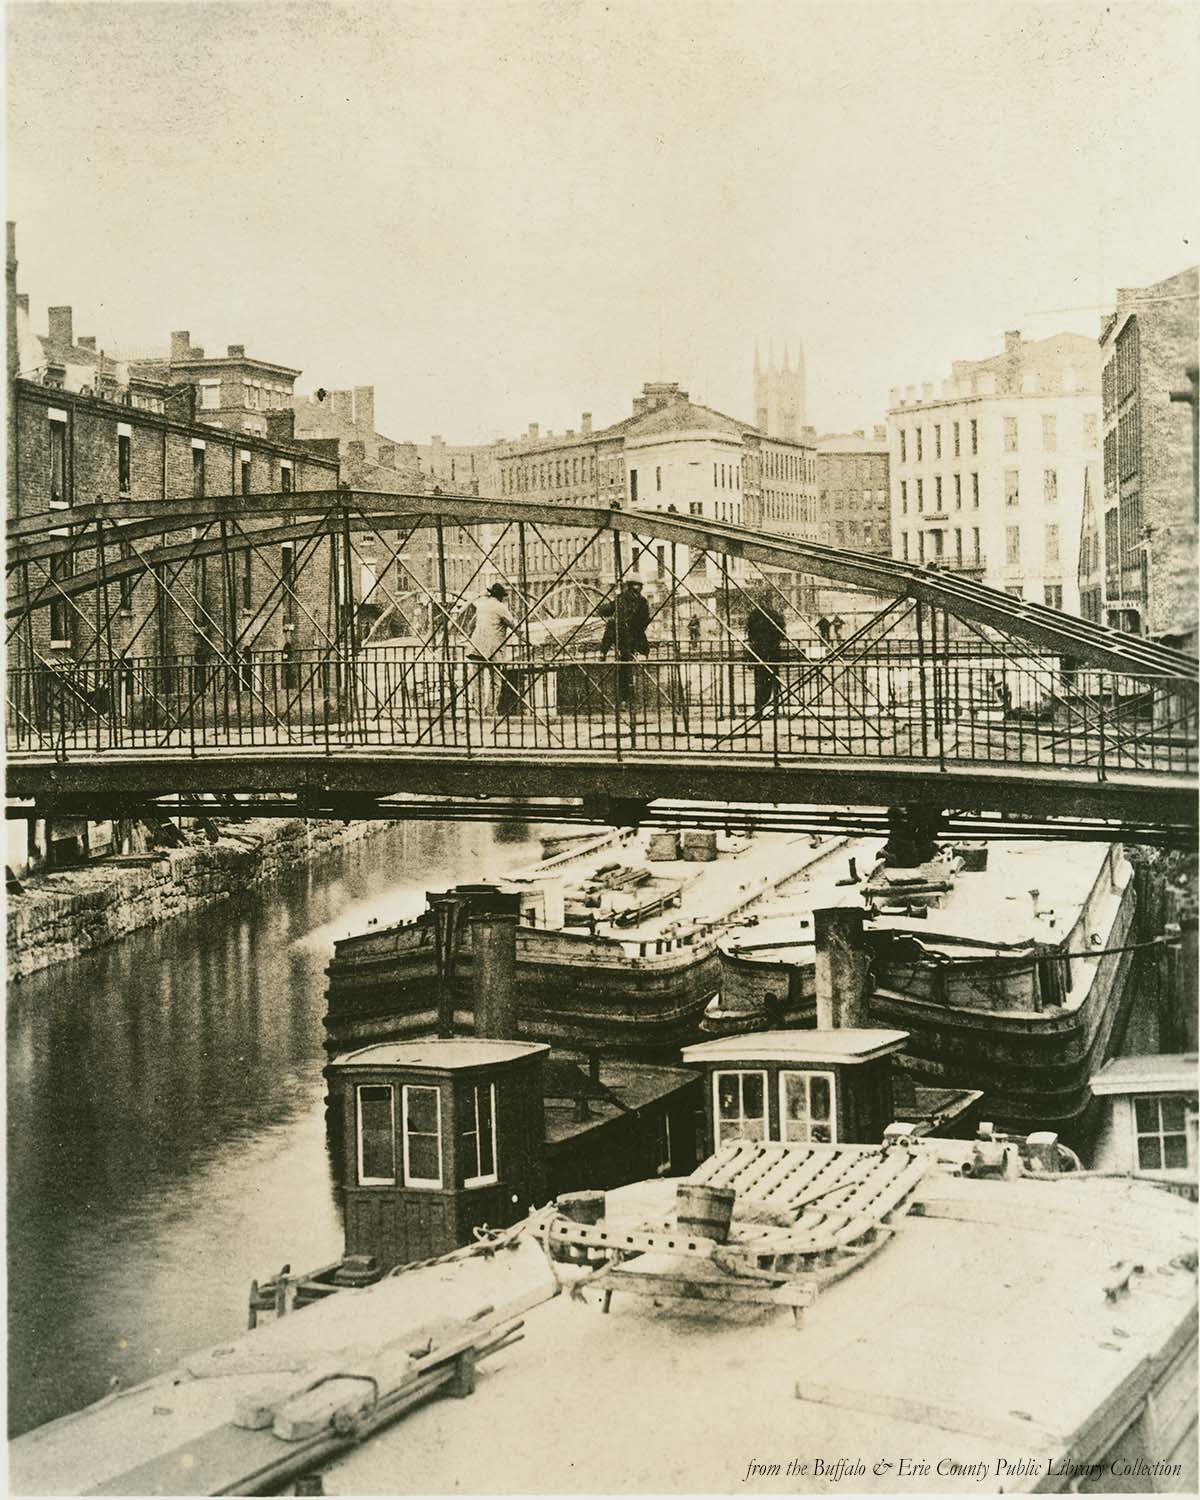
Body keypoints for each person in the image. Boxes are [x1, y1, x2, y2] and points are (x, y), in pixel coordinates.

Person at [598, 579, 650, 708]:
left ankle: (602, 653)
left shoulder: (623, 598)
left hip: (627, 637)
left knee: (625, 667)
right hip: (633, 637)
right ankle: (628, 699)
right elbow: (645, 620)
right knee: (628, 668)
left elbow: (605, 611)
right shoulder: (637, 600)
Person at [467, 582, 516, 716]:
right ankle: (490, 711)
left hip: (476, 648)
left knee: (477, 682)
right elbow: (514, 626)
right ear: (501, 597)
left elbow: (470, 626)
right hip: (493, 650)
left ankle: (478, 711)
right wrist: (529, 641)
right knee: (496, 681)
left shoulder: (481, 606)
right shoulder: (501, 607)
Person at [745, 594, 785, 716]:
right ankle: (771, 708)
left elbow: (750, 635)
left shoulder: (754, 615)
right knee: (773, 682)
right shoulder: (775, 615)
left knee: (760, 683)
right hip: (772, 652)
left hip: (759, 653)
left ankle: (759, 710)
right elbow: (782, 633)